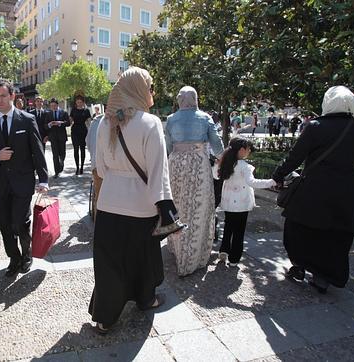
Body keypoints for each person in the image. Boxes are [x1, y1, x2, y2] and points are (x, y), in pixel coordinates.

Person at [272, 86, 354, 294]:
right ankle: (324, 276)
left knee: (300, 229)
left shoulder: (315, 126)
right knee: (335, 236)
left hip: (313, 191)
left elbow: (295, 157)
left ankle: (299, 266)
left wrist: (278, 175)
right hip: (345, 193)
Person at [89, 67, 175, 334]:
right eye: (149, 86)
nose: (151, 92)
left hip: (108, 203)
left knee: (109, 263)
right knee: (143, 258)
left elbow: (100, 168)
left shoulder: (106, 122)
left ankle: (105, 317)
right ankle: (146, 299)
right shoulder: (150, 123)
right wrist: (165, 205)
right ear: (139, 89)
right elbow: (159, 170)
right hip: (142, 205)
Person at [0, 79, 48, 278]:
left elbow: (37, 150)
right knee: (5, 225)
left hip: (22, 182)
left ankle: (26, 255)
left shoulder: (26, 119)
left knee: (19, 222)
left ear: (12, 96)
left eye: (3, 96)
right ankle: (13, 258)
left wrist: (43, 179)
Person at [164, 86, 224, 276]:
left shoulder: (171, 119)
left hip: (176, 166)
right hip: (198, 166)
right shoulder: (205, 117)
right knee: (198, 207)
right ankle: (193, 256)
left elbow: (167, 147)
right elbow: (217, 146)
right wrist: (225, 160)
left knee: (179, 206)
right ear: (195, 98)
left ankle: (178, 248)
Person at [213, 137, 276, 265]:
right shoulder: (245, 166)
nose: (249, 151)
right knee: (238, 232)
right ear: (242, 150)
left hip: (228, 202)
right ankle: (234, 259)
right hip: (241, 203)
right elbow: (252, 182)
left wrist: (217, 163)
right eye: (248, 149)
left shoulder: (225, 163)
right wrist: (271, 182)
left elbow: (215, 175)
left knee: (228, 227)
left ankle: (224, 251)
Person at [86, 105, 103, 220]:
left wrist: (93, 156)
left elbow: (88, 141)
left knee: (99, 198)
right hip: (116, 168)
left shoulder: (96, 122)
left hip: (97, 165)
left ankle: (99, 230)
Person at [46, 98, 69, 178]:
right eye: (51, 106)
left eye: (54, 105)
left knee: (62, 153)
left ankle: (61, 163)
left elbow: (68, 123)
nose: (53, 107)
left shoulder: (64, 112)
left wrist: (60, 123)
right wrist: (50, 124)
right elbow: (45, 125)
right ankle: (56, 172)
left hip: (62, 136)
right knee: (55, 155)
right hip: (53, 137)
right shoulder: (48, 114)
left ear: (57, 105)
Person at [70, 96, 91, 175]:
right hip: (75, 130)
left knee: (82, 149)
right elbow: (70, 120)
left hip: (83, 130)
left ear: (83, 102)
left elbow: (89, 122)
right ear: (76, 102)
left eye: (80, 102)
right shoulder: (73, 110)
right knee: (75, 149)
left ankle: (82, 167)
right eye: (77, 102)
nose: (78, 103)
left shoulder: (86, 110)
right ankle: (77, 167)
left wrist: (91, 130)